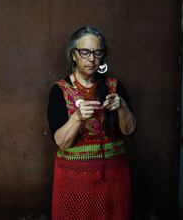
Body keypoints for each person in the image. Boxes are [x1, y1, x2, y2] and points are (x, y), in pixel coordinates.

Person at [47, 26, 136, 220]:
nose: (91, 59)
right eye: (85, 52)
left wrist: (122, 106)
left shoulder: (114, 86)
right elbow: (61, 142)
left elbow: (129, 130)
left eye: (97, 53)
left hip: (114, 179)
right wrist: (77, 117)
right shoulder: (59, 90)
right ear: (73, 55)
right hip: (74, 181)